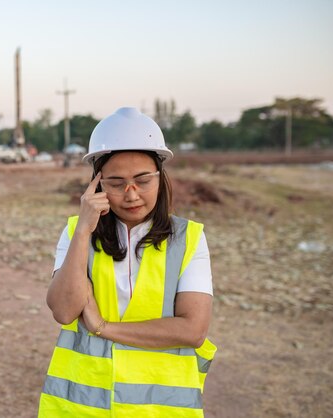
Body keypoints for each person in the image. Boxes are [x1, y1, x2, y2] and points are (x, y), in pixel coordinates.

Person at [38, 107, 217, 418]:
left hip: (161, 409)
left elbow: (192, 329)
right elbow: (64, 310)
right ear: (97, 184)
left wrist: (103, 327)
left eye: (142, 180)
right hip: (82, 407)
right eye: (116, 183)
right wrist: (84, 230)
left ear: (161, 178)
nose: (131, 194)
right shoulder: (75, 232)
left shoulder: (189, 239)